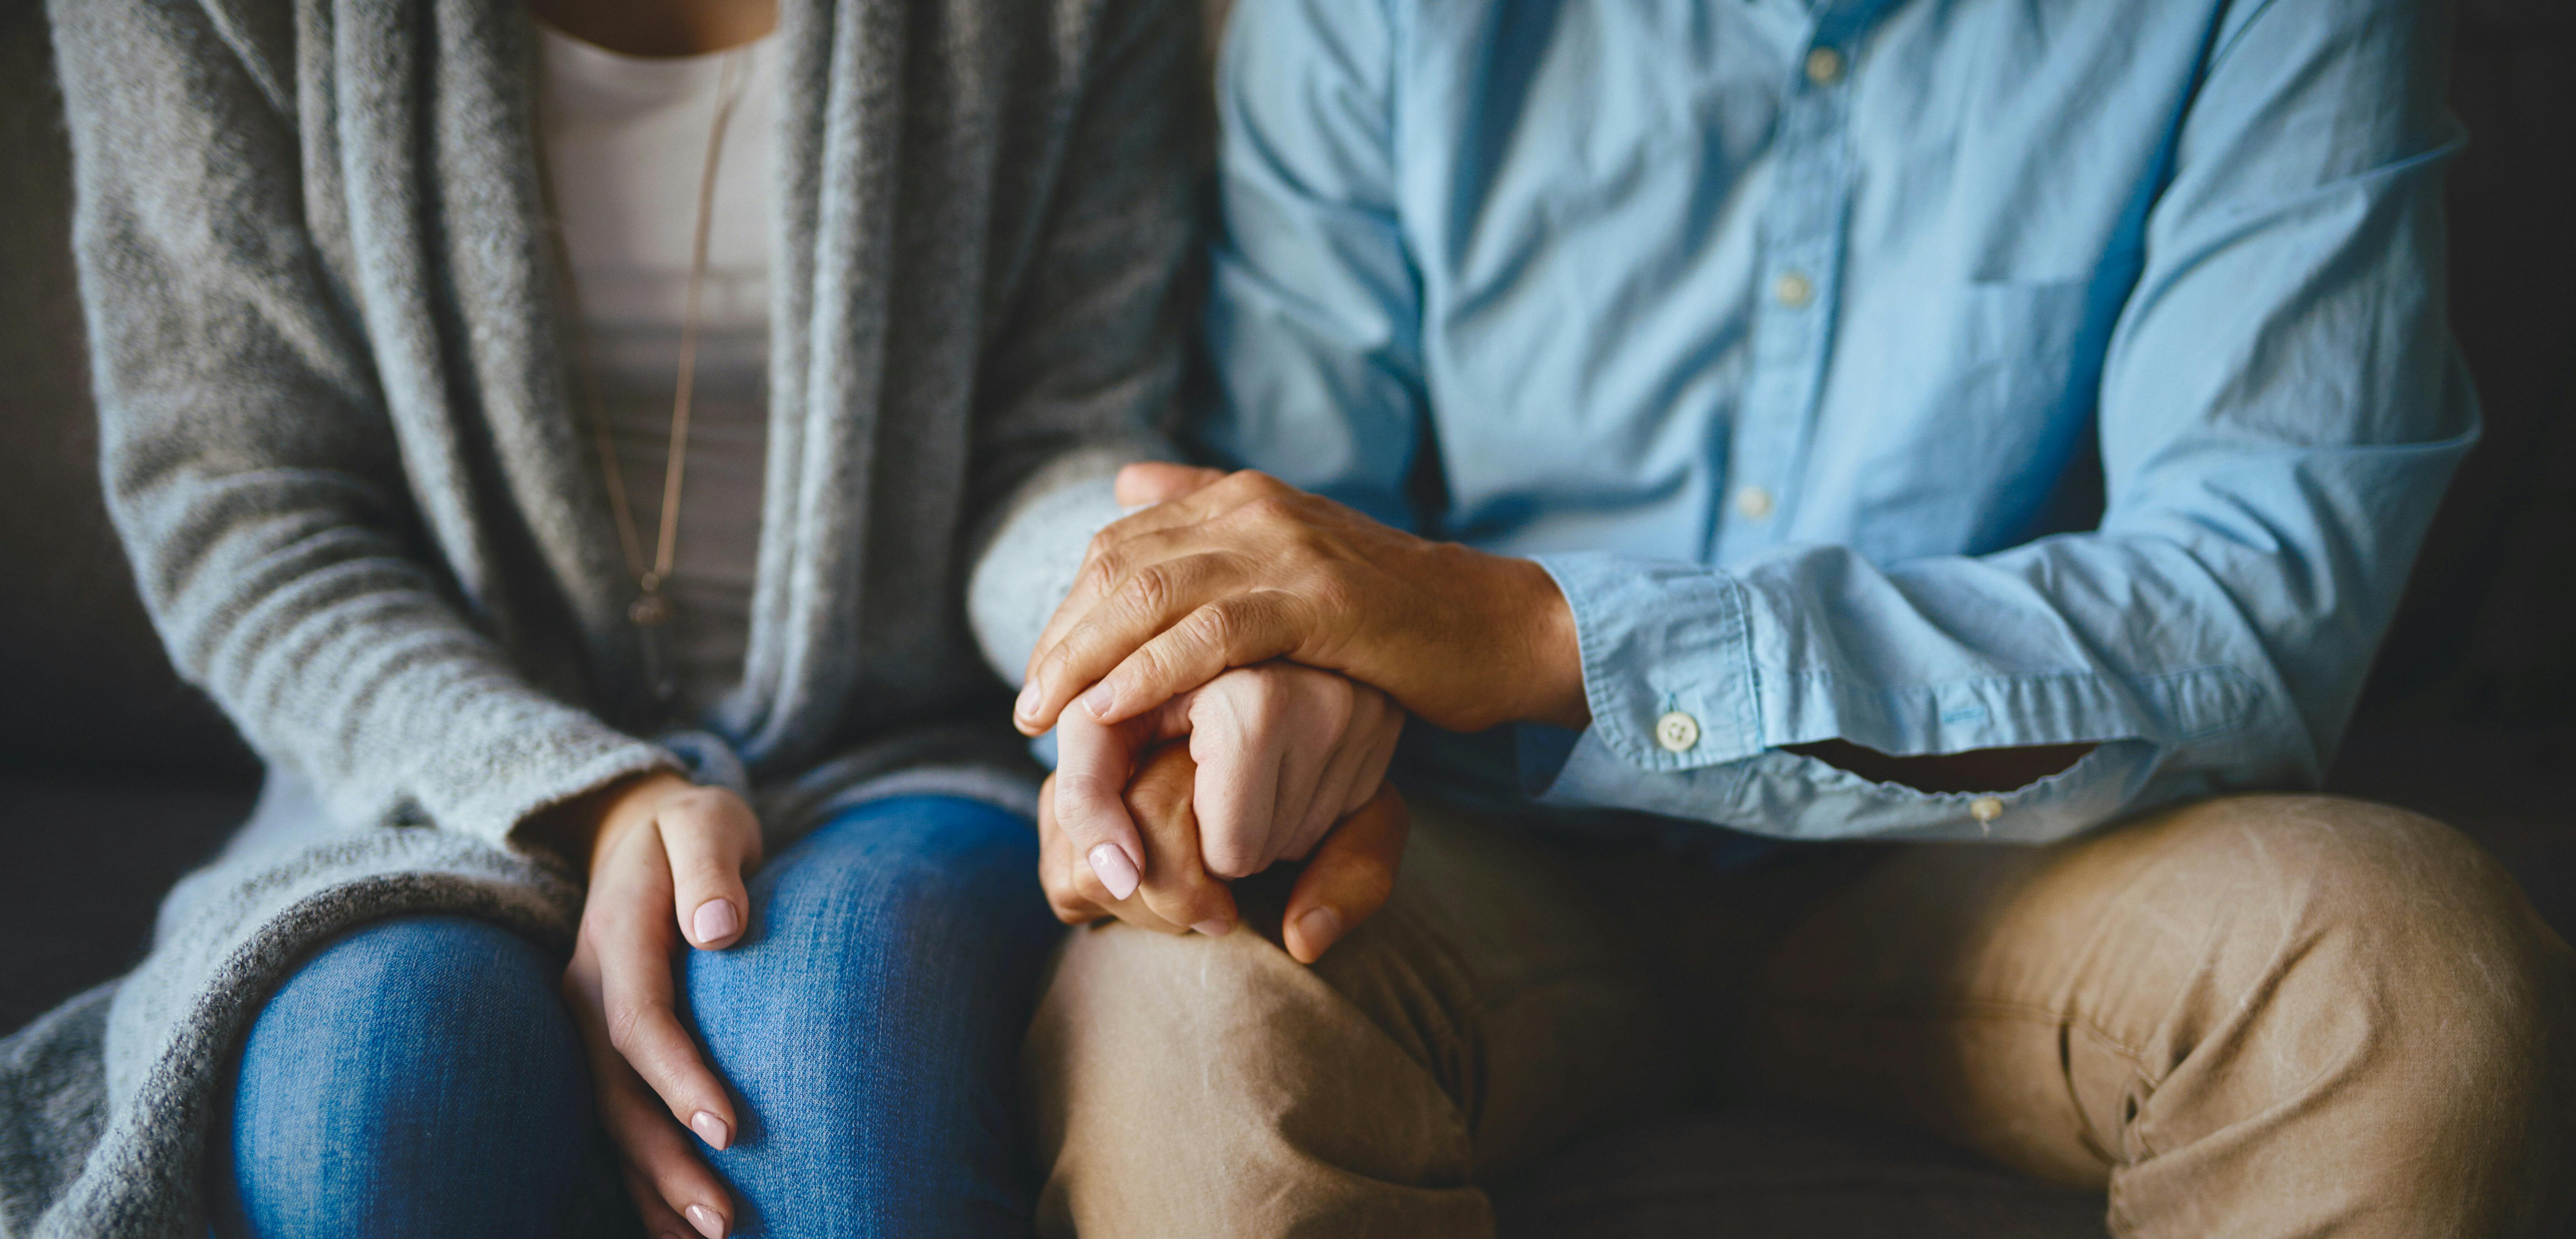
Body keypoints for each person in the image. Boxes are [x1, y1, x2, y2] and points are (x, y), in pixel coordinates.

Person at [1003, 0, 2576, 1234]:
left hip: (2007, 856)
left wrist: (1541, 635)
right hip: (1461, 856)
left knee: (2401, 978)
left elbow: (2251, 611)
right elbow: (1278, 525)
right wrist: (1225, 709)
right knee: (1182, 1025)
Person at [5, 0, 1239, 1236]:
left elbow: (1061, 447)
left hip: (897, 739)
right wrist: (585, 791)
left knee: (842, 1077)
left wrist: (1119, 637)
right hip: (436, 752)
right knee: (372, 1088)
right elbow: (242, 510)